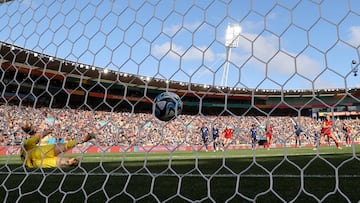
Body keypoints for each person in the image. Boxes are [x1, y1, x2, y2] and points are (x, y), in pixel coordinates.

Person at [20, 120, 95, 168]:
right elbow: (35, 138)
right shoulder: (27, 144)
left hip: (33, 163)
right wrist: (46, 132)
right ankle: (81, 140)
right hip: (36, 152)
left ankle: (69, 162)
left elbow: (35, 138)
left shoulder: (26, 145)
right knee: (62, 146)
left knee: (57, 161)